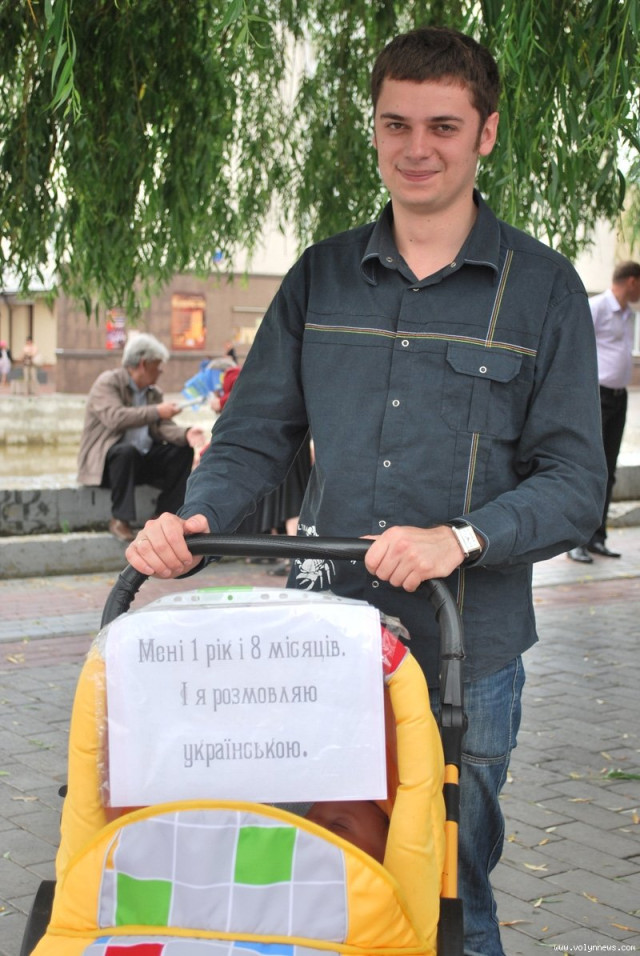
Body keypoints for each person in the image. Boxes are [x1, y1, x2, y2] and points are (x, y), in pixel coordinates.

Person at [126, 27, 606, 955]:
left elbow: (576, 484)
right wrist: (196, 517)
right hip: (323, 643)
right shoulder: (321, 275)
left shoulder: (544, 290)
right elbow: (255, 436)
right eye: (396, 124)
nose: (416, 148)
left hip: (468, 651)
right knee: (314, 882)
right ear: (375, 127)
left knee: (452, 897)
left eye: (443, 126)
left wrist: (458, 537)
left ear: (486, 134)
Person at [77, 333, 207, 543]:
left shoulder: (153, 393)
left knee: (181, 451)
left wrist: (186, 433)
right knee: (125, 451)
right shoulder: (108, 382)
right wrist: (157, 411)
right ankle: (120, 519)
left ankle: (163, 516)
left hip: (141, 461)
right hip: (109, 466)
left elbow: (162, 427)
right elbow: (115, 418)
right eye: (158, 365)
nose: (161, 371)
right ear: (143, 364)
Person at [568, 260, 640, 563]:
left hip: (619, 398)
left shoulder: (629, 314)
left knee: (609, 469)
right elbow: (575, 350)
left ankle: (598, 537)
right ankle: (576, 541)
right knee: (587, 467)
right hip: (596, 397)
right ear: (633, 281)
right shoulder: (596, 307)